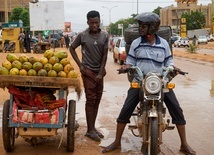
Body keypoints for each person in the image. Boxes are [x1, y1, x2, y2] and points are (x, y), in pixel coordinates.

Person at [102, 12, 196, 155]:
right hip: (141, 82)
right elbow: (131, 62)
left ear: (152, 27)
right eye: (140, 26)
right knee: (126, 109)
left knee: (176, 108)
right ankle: (116, 141)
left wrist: (172, 68)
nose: (140, 28)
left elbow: (169, 62)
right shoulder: (136, 43)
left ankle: (184, 144)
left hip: (159, 82)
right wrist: (126, 67)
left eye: (143, 26)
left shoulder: (164, 43)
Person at [69, 10, 109, 142]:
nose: (94, 25)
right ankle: (90, 130)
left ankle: (93, 127)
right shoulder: (83, 35)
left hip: (99, 73)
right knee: (90, 99)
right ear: (88, 22)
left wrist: (100, 72)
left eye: (96, 22)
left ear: (99, 22)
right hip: (88, 72)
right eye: (92, 23)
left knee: (97, 100)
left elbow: (104, 55)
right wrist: (80, 65)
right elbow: (72, 48)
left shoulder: (105, 35)